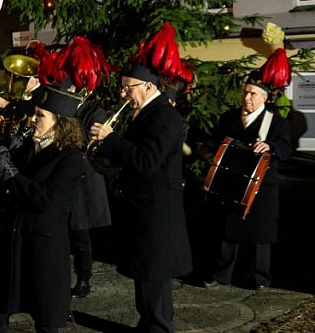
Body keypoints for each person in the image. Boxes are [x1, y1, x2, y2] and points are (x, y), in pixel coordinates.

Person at [89, 23, 193, 333]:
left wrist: (111, 141)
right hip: (144, 213)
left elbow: (146, 161)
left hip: (157, 218)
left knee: (155, 291)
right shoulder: (148, 112)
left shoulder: (163, 116)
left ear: (148, 86)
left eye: (128, 86)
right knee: (146, 289)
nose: (123, 93)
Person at [0, 82, 85, 333]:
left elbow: (44, 199)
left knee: (45, 319)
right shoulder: (27, 145)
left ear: (60, 122)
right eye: (34, 113)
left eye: (40, 115)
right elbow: (3, 184)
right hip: (13, 240)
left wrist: (11, 175)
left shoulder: (69, 158)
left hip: (43, 247)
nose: (33, 119)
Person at [202, 48, 293, 291]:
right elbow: (214, 140)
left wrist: (270, 146)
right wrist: (209, 151)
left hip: (261, 189)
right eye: (245, 93)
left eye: (253, 94)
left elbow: (286, 148)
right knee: (227, 233)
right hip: (230, 184)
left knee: (259, 237)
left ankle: (258, 278)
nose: (247, 98)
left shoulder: (276, 122)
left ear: (265, 97)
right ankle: (221, 275)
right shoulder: (230, 118)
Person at [57, 35, 114, 299]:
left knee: (80, 235)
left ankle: (84, 278)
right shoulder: (61, 109)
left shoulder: (95, 111)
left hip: (83, 179)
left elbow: (86, 140)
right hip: (62, 177)